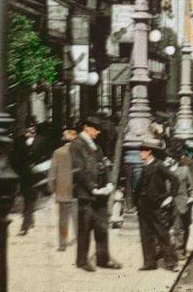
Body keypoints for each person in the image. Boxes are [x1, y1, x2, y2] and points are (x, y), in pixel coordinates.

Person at [70, 116, 121, 273]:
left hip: (100, 192)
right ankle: (82, 261)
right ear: (86, 127)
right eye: (96, 129)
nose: (98, 132)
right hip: (86, 193)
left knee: (102, 227)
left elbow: (104, 164)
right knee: (85, 228)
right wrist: (92, 187)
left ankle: (103, 259)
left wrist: (109, 183)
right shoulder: (76, 145)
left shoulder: (96, 146)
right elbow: (79, 170)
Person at [133, 139, 179, 272]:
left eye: (143, 151)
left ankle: (171, 263)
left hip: (156, 205)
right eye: (141, 150)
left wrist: (170, 196)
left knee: (162, 233)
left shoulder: (159, 165)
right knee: (145, 234)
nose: (140, 153)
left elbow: (174, 180)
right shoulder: (144, 166)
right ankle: (149, 263)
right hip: (143, 206)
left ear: (150, 152)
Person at [166, 141, 193, 258]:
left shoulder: (185, 170)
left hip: (181, 202)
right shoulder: (164, 170)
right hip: (166, 202)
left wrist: (192, 198)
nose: (168, 159)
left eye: (170, 158)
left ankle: (179, 250)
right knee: (168, 227)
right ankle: (167, 249)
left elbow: (192, 187)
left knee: (180, 227)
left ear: (175, 159)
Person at [48, 124, 78, 251]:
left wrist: (53, 190)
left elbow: (52, 175)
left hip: (62, 191)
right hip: (77, 190)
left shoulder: (58, 152)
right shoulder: (81, 152)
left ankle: (62, 244)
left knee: (63, 219)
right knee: (78, 218)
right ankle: (80, 241)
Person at [13, 123, 40, 235]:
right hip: (24, 175)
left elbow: (47, 155)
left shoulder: (41, 140)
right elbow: (14, 157)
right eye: (29, 128)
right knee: (27, 199)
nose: (31, 131)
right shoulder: (19, 141)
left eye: (33, 129)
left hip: (37, 175)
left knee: (31, 199)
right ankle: (28, 221)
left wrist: (39, 167)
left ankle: (26, 223)